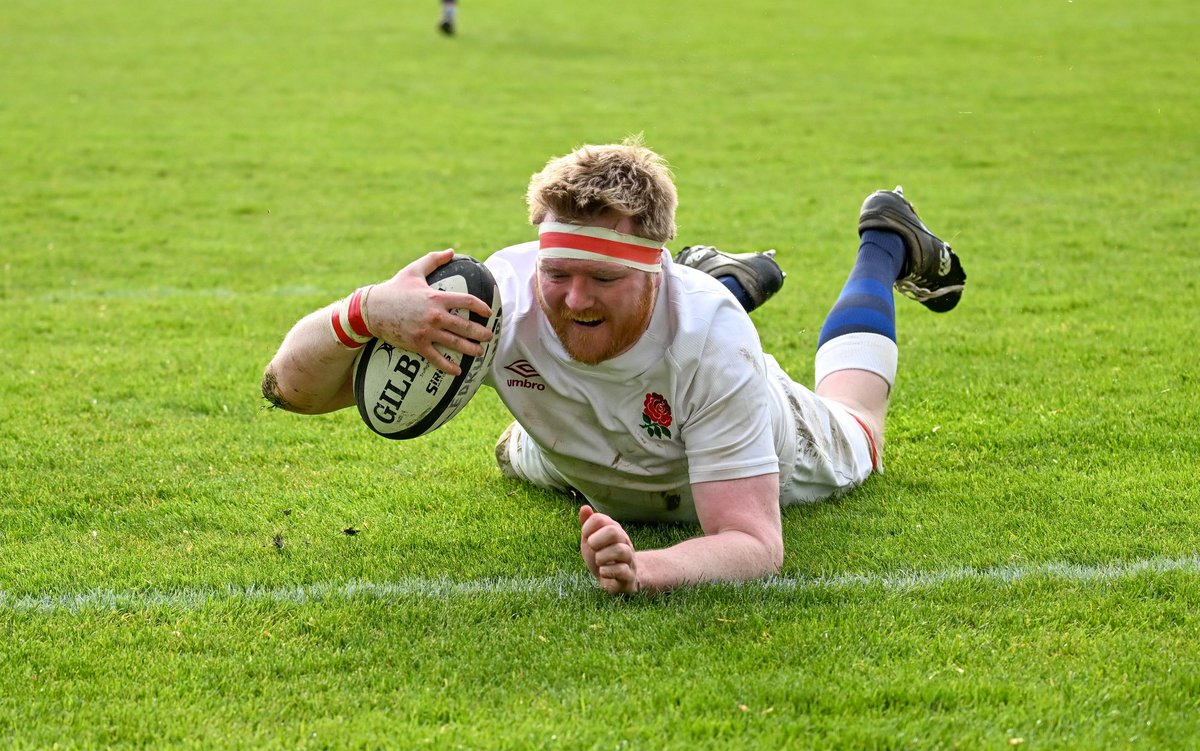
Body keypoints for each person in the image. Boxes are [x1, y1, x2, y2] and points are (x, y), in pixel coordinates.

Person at [261, 140, 966, 596]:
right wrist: (363, 312)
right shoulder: (492, 300)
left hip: (727, 440)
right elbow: (287, 390)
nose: (571, 297)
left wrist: (647, 567)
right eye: (558, 272)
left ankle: (884, 242)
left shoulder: (711, 346)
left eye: (600, 277)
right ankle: (708, 279)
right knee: (513, 450)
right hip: (569, 450)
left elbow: (753, 543)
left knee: (861, 428)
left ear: (651, 270)